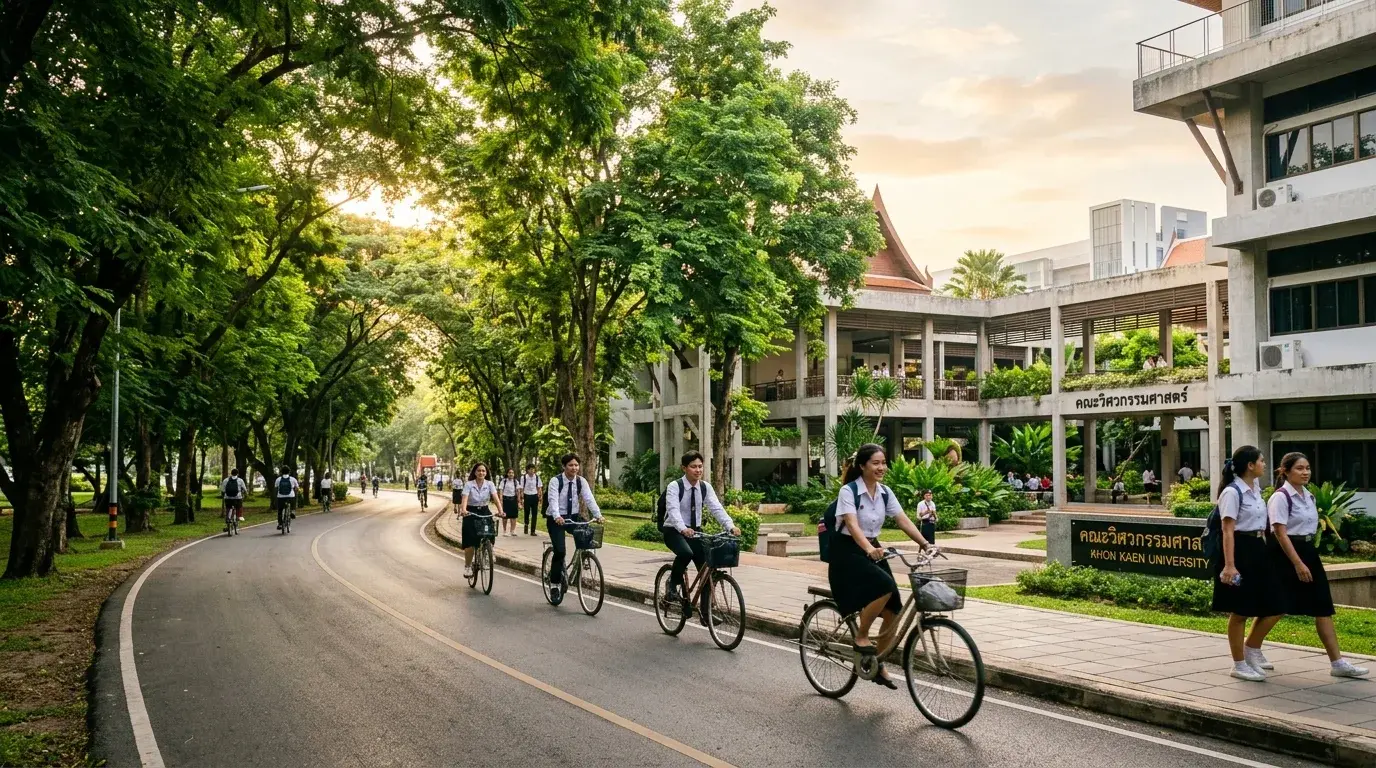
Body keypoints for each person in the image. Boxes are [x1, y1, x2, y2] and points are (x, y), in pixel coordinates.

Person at [1250, 452, 1368, 679]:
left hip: (1307, 552)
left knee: (1323, 606)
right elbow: (1279, 532)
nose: (1305, 473)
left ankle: (1338, 662)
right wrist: (1297, 563)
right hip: (1285, 555)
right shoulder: (1280, 497)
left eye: (1308, 468)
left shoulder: (1309, 496)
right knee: (1278, 605)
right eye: (1299, 469)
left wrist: (1308, 558)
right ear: (1285, 471)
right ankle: (1250, 649)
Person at [828, 443, 933, 689]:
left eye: (883, 462)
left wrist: (925, 543)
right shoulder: (849, 491)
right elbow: (852, 525)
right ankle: (862, 636)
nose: (881, 467)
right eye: (875, 463)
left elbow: (902, 519)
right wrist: (867, 549)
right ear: (863, 466)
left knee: (894, 608)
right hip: (847, 550)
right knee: (883, 585)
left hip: (872, 547)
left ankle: (877, 662)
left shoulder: (885, 492)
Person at [1211, 445, 1285, 682]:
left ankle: (1251, 648)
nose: (1265, 464)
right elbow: (1227, 530)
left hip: (1257, 549)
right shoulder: (1233, 492)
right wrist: (1230, 565)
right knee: (1240, 609)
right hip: (1239, 551)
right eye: (1261, 461)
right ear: (1250, 465)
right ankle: (1239, 663)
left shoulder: (1255, 490)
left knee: (1277, 603)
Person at [660, 451, 741, 614]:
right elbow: (673, 510)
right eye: (693, 467)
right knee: (685, 553)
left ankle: (706, 614)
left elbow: (716, 508)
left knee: (707, 571)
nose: (698, 470)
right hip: (674, 530)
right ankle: (672, 585)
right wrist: (682, 528)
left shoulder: (705, 487)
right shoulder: (675, 487)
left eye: (700, 466)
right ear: (684, 468)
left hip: (695, 532)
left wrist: (730, 526)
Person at [545, 453, 605, 604]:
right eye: (571, 465)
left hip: (573, 517)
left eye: (576, 465)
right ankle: (554, 585)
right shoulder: (555, 481)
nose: (574, 468)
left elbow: (589, 498)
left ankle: (584, 559)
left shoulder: (581, 481)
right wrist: (557, 516)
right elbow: (552, 501)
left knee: (588, 533)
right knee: (560, 551)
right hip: (556, 518)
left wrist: (598, 515)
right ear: (564, 466)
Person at [458, 462, 501, 578]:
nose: (481, 473)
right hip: (470, 512)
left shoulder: (490, 484)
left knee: (490, 531)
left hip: (484, 510)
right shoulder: (469, 484)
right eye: (479, 471)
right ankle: (467, 566)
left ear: (486, 473)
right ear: (475, 472)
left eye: (483, 471)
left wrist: (501, 511)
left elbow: (496, 499)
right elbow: (465, 498)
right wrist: (463, 510)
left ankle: (489, 551)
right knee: (470, 542)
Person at [521, 463, 543, 536]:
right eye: (530, 469)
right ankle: (526, 524)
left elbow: (539, 487)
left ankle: (533, 531)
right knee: (526, 512)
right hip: (526, 496)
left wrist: (540, 496)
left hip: (534, 496)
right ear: (527, 470)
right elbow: (522, 488)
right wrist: (522, 498)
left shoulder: (537, 477)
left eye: (533, 469)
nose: (532, 470)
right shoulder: (523, 477)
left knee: (534, 514)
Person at [274, 466, 299, 531]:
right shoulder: (293, 479)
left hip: (280, 497)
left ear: (281, 472)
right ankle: (293, 511)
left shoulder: (278, 479)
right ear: (289, 472)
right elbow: (297, 488)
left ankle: (280, 524)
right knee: (293, 499)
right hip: (290, 496)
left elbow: (276, 487)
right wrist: (295, 490)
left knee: (280, 510)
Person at [499, 468, 520, 536]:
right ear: (507, 474)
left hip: (513, 499)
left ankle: (512, 530)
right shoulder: (504, 481)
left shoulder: (515, 482)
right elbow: (501, 490)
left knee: (513, 516)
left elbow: (518, 491)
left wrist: (519, 501)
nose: (511, 474)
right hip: (505, 500)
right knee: (505, 516)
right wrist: (501, 499)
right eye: (510, 473)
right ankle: (505, 531)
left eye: (512, 473)